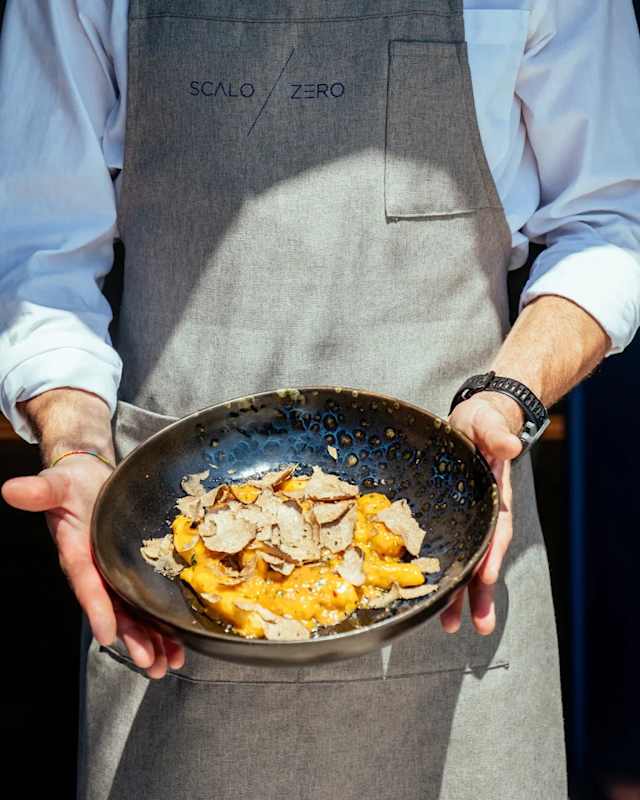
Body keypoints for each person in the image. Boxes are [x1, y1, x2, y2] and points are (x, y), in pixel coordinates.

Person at [1, 1, 639, 798]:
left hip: (450, 566)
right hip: (177, 594)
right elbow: (38, 255)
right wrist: (76, 443)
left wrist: (508, 396)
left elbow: (610, 222)